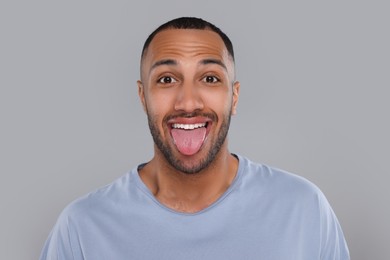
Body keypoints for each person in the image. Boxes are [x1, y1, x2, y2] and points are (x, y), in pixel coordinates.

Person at [40, 17, 350, 259]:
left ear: (235, 97)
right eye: (167, 79)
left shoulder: (303, 209)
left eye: (210, 78)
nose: (188, 103)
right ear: (143, 97)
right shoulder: (81, 227)